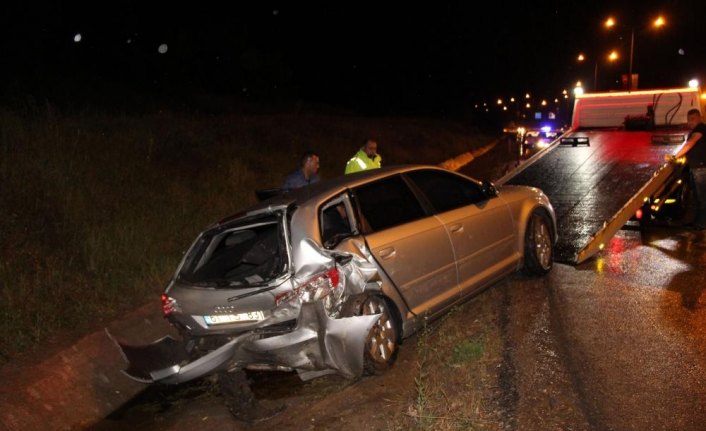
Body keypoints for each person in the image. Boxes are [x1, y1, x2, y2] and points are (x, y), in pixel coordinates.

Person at [673, 108, 706, 229]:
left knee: (702, 197)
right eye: (689, 120)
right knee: (697, 197)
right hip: (697, 167)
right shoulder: (696, 130)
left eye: (693, 119)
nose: (690, 122)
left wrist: (675, 156)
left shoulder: (700, 129)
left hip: (701, 168)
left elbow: (690, 143)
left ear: (700, 118)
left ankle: (701, 223)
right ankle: (698, 221)